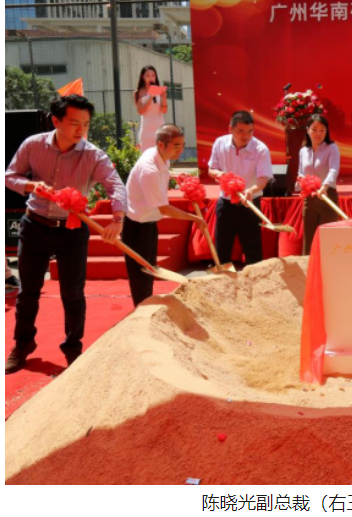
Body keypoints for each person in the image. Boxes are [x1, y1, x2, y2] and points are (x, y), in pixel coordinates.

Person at [4, 94, 127, 373]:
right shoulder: (33, 144)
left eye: (86, 124)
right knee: (27, 292)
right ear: (56, 121)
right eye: (74, 123)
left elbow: (115, 185)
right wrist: (31, 186)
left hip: (72, 229)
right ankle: (23, 345)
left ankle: (73, 349)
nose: (81, 130)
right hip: (34, 225)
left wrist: (118, 219)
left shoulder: (93, 155)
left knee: (73, 294)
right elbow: (9, 176)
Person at [124, 124, 205, 306]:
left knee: (149, 271)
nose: (180, 150)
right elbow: (164, 209)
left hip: (148, 222)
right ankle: (141, 311)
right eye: (176, 146)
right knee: (141, 276)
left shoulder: (161, 157)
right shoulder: (149, 169)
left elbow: (163, 178)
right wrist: (194, 218)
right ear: (161, 144)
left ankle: (146, 306)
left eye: (182, 145)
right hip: (137, 226)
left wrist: (177, 176)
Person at [207, 111, 274, 265]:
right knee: (222, 248)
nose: (246, 136)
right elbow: (211, 170)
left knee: (253, 250)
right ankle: (222, 277)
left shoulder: (260, 149)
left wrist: (251, 190)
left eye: (250, 131)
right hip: (226, 203)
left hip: (249, 203)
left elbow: (263, 179)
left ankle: (255, 279)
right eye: (241, 131)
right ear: (230, 129)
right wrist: (221, 174)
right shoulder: (219, 143)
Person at [298, 115, 341, 255]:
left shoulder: (332, 148)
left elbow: (333, 169)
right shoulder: (303, 151)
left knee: (328, 236)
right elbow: (300, 172)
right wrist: (301, 181)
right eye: (314, 129)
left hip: (326, 195)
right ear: (307, 130)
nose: (318, 133)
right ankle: (308, 264)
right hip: (309, 197)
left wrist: (325, 186)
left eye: (322, 130)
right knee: (309, 236)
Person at [134, 65, 168, 151]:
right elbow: (140, 111)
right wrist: (150, 97)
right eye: (148, 76)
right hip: (146, 129)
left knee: (161, 152)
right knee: (146, 153)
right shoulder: (138, 93)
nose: (151, 78)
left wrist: (164, 98)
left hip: (159, 127)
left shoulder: (160, 90)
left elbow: (164, 110)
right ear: (143, 77)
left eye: (153, 75)